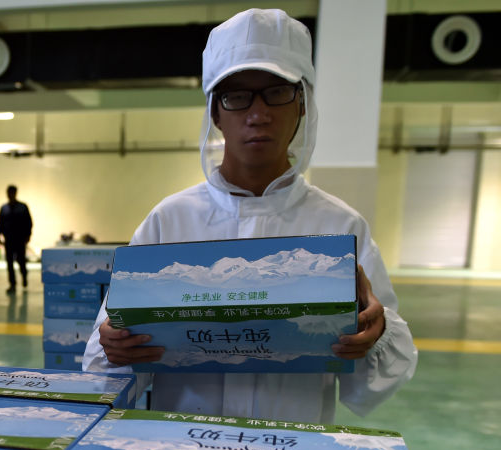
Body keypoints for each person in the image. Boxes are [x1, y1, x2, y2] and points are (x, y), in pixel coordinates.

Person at [83, 8, 417, 424]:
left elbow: (380, 379)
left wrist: (375, 334)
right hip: (184, 444)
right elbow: (104, 371)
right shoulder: (169, 222)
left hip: (292, 446)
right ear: (215, 112)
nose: (258, 114)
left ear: (302, 103)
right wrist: (115, 346)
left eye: (276, 92)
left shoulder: (339, 227)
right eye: (237, 96)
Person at [0, 184, 32, 294]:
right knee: (9, 263)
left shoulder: (22, 207)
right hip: (9, 240)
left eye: (12, 192)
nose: (10, 195)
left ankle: (24, 275)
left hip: (20, 239)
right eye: (9, 193)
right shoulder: (4, 208)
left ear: (15, 193)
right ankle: (12, 284)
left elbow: (29, 222)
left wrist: (28, 236)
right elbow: (0, 223)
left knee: (21, 260)